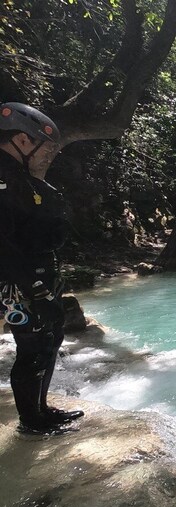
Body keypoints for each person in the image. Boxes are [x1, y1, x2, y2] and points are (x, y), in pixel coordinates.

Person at [0, 102, 84, 435]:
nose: (46, 153)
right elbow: (5, 245)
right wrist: (33, 289)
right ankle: (31, 422)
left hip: (36, 275)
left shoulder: (20, 177)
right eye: (41, 144)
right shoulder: (4, 178)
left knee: (51, 336)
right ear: (21, 140)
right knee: (32, 345)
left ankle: (41, 409)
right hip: (15, 280)